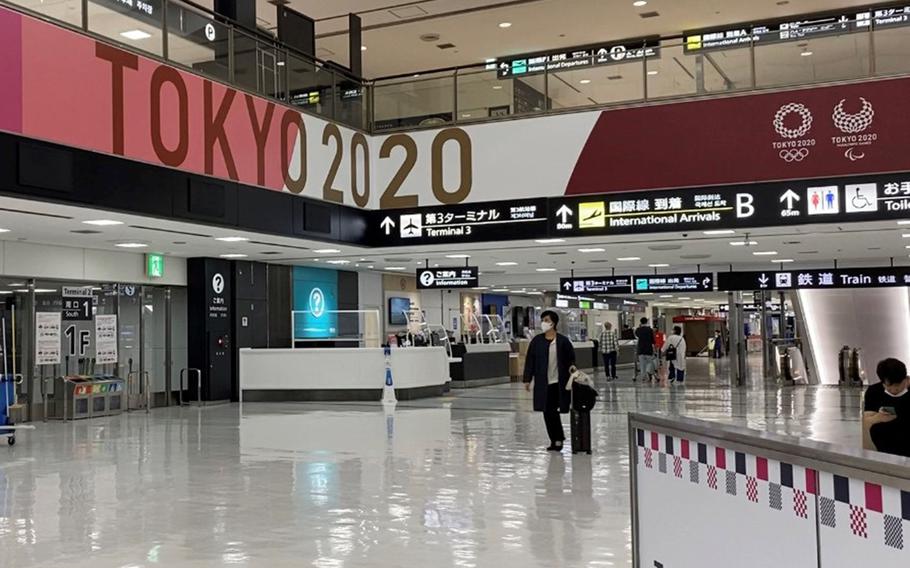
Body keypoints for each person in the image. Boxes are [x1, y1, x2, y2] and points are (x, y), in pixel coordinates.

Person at [523, 310, 576, 452]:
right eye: (542, 319)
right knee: (547, 412)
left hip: (558, 382)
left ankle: (557, 439)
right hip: (543, 383)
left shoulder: (563, 341)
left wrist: (572, 366)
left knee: (552, 411)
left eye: (546, 320)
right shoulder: (537, 341)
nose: (543, 322)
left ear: (553, 322)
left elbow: (571, 358)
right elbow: (530, 360)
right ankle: (556, 439)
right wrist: (527, 379)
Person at [864, 358, 910, 457]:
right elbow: (867, 419)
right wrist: (878, 417)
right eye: (888, 386)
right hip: (886, 442)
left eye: (898, 385)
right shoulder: (874, 391)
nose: (894, 390)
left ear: (906, 379)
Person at [635, 317, 656, 383]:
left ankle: (643, 378)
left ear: (640, 322)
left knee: (642, 364)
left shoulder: (638, 330)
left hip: (640, 349)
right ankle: (648, 371)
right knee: (650, 362)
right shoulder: (650, 330)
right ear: (646, 322)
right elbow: (653, 340)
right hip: (648, 349)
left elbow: (637, 335)